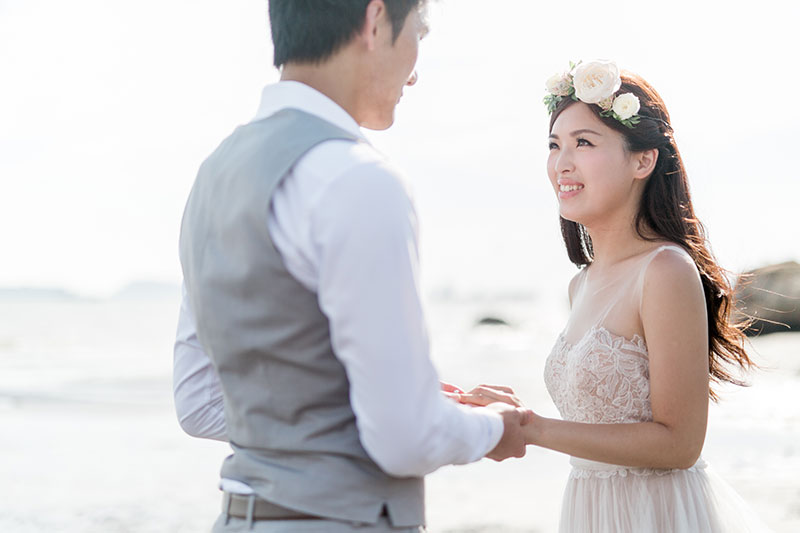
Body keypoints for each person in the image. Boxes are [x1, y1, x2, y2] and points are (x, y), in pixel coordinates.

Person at [174, 1, 532, 531]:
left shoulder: (215, 174)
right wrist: (493, 426)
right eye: (418, 34)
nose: (415, 70)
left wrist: (383, 399)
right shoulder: (357, 179)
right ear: (374, 21)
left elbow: (198, 402)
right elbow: (406, 440)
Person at [457, 60, 772, 532]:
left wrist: (532, 427)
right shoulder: (579, 284)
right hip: (590, 512)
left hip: (657, 516)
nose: (563, 162)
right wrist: (513, 410)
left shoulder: (664, 270)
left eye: (584, 142)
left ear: (642, 160)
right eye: (554, 144)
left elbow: (681, 444)